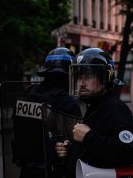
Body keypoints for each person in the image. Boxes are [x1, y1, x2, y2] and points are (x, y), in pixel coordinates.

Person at [56, 47, 133, 177]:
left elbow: (129, 153)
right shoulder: (95, 106)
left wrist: (88, 136)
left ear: (105, 77)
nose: (81, 84)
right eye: (79, 77)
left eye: (88, 76)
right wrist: (70, 149)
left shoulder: (115, 108)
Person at [12, 47, 82, 178]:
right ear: (71, 74)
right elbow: (74, 146)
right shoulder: (67, 102)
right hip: (52, 172)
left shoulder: (26, 93)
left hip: (26, 171)